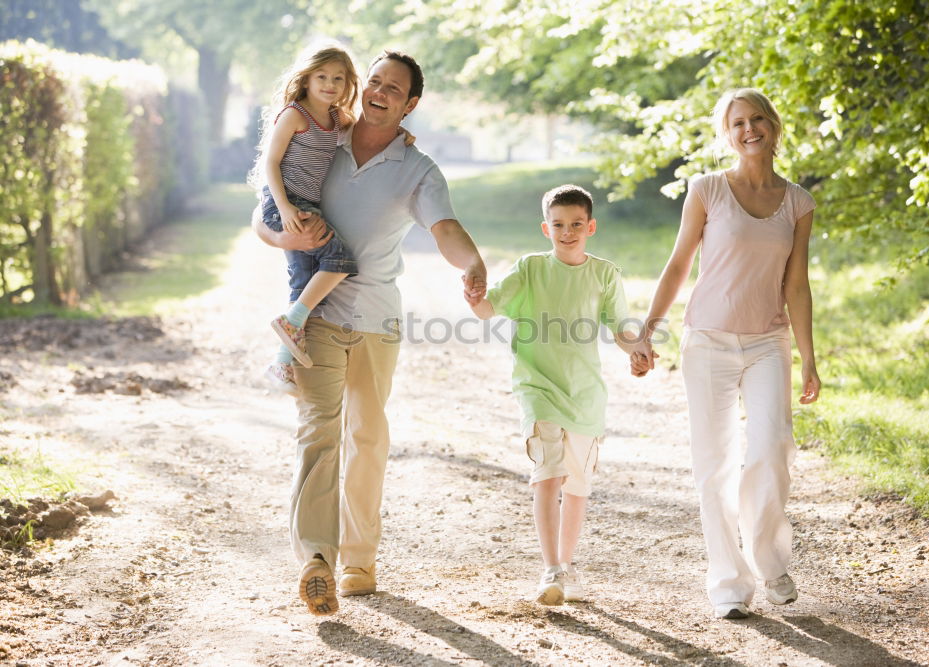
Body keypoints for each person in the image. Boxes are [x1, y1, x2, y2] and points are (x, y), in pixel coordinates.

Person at [252, 50, 487, 616]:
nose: (378, 92)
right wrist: (288, 240)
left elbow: (445, 227)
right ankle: (316, 560)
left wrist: (473, 264)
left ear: (410, 104)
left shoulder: (418, 168)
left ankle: (358, 559)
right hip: (320, 316)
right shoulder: (325, 139)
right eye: (374, 81)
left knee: (368, 439)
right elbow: (262, 214)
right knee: (317, 434)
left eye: (393, 88)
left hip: (378, 319)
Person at [635, 88, 821, 620]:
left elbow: (798, 284)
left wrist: (808, 357)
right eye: (738, 122)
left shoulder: (798, 202)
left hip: (768, 340)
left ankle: (768, 559)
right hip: (708, 341)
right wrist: (649, 330)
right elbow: (677, 266)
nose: (749, 129)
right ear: (727, 133)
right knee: (712, 463)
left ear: (774, 126)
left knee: (772, 447)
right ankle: (728, 583)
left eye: (757, 119)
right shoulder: (707, 189)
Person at [470, 184, 652, 605]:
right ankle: (550, 568)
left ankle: (566, 566)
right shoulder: (531, 269)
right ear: (544, 228)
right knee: (547, 475)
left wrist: (637, 349)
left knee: (577, 486)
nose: (566, 232)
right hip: (537, 388)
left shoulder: (605, 273)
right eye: (557, 225)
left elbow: (620, 325)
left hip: (585, 395)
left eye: (575, 225)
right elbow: (488, 309)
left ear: (590, 227)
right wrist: (475, 298)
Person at [249, 42, 413, 396]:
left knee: (307, 280)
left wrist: (399, 133)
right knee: (337, 261)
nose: (330, 84)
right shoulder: (295, 114)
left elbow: (369, 130)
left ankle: (281, 362)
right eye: (322, 76)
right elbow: (270, 163)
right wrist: (286, 208)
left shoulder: (337, 118)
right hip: (286, 203)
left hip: (308, 205)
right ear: (306, 78)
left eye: (339, 78)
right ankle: (287, 335)